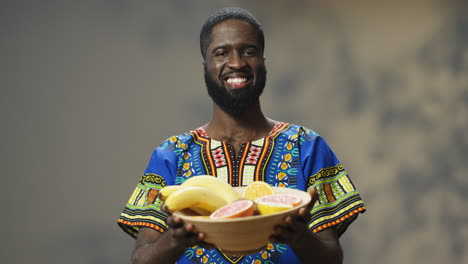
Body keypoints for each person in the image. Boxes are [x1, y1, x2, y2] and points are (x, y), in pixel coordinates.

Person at [118, 7, 365, 264]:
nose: (236, 63)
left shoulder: (307, 146)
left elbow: (332, 259)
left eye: (248, 51)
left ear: (263, 62)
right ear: (206, 66)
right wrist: (177, 238)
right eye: (221, 52)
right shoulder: (171, 153)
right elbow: (141, 261)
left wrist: (299, 236)